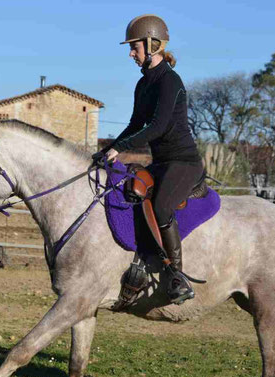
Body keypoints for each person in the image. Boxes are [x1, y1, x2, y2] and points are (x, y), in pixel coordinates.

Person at [101, 14, 204, 305]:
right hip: (160, 163)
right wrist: (110, 148)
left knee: (160, 208)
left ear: (153, 44)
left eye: (134, 47)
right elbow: (136, 124)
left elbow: (156, 127)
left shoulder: (170, 82)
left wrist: (122, 148)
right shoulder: (143, 85)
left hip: (183, 163)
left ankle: (177, 277)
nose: (131, 54)